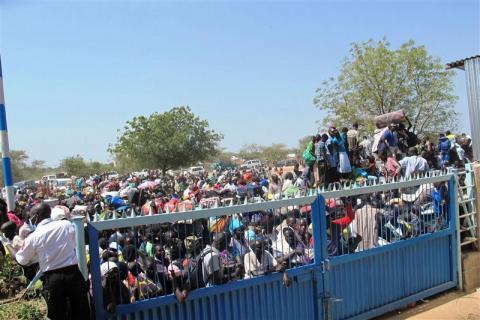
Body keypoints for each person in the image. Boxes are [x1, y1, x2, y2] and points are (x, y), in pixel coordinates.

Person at [14, 203, 90, 320]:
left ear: (36, 216)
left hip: (53, 279)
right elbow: (77, 242)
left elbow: (22, 260)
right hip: (73, 274)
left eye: (31, 216)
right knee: (81, 312)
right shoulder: (66, 225)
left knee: (56, 314)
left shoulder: (34, 237)